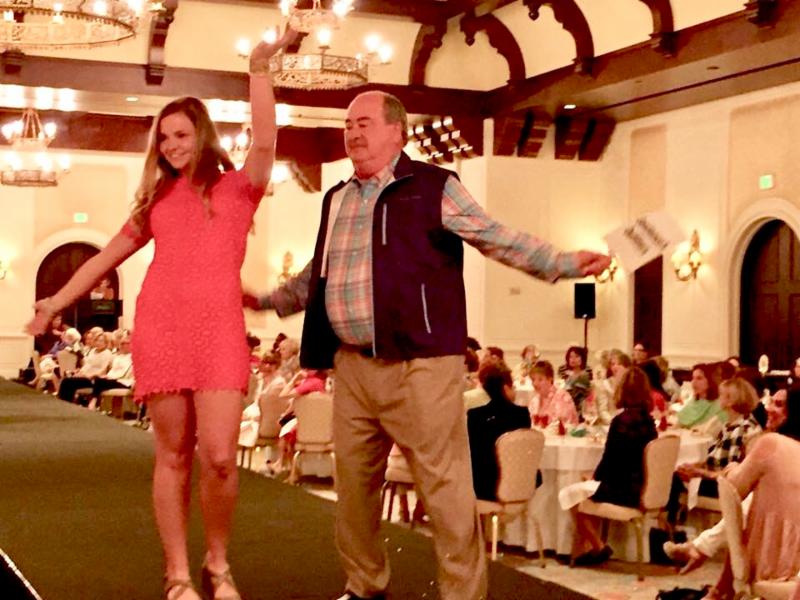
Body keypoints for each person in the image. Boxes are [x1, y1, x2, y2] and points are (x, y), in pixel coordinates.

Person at [243, 90, 610, 600]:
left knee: (444, 488)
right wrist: (268, 300)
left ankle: (462, 595)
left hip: (422, 363)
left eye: (365, 123)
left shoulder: (434, 186)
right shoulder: (337, 198)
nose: (353, 133)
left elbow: (492, 235)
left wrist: (560, 262)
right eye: (348, 124)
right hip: (353, 365)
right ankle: (365, 585)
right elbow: (317, 275)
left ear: (398, 132)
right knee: (353, 489)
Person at [26, 31, 295, 600]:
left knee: (219, 458)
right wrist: (54, 301)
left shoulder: (240, 188)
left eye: (181, 134)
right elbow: (103, 257)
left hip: (220, 331)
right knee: (172, 455)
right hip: (162, 328)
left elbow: (267, 139)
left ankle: (218, 564)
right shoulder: (155, 203)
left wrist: (259, 68)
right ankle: (177, 574)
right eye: (164, 137)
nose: (171, 145)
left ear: (203, 134)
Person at [559, 367, 656, 565]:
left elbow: (610, 459)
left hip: (624, 490)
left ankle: (597, 546)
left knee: (571, 495)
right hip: (643, 487)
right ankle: (589, 550)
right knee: (589, 491)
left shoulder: (620, 422)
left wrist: (594, 477)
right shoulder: (650, 422)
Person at [467, 362, 531, 501]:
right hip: (520, 484)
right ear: (505, 388)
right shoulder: (522, 414)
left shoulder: (475, 416)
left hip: (484, 486)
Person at [529, 360, 579, 428]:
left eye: (540, 379)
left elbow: (566, 425)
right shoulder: (534, 400)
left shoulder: (562, 397)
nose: (535, 383)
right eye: (533, 380)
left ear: (550, 379)